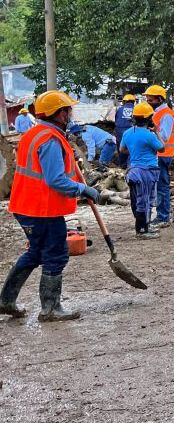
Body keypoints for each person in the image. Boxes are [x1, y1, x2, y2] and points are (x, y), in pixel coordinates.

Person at [0, 90, 100, 322]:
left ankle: (6, 301)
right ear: (61, 114)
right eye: (68, 110)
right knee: (55, 254)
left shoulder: (33, 134)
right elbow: (55, 180)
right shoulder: (51, 140)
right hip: (41, 209)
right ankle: (50, 308)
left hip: (25, 206)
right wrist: (83, 190)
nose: (71, 113)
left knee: (36, 252)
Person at [120, 103, 164, 239]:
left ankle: (145, 225)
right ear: (149, 119)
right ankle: (142, 231)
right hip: (147, 172)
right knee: (146, 201)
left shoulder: (127, 133)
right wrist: (157, 131)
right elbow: (162, 148)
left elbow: (122, 150)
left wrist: (134, 151)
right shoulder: (149, 135)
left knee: (140, 200)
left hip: (133, 171)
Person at [144, 85, 174, 227]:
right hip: (158, 154)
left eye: (150, 100)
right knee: (158, 186)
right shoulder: (158, 112)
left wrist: (153, 129)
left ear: (159, 99)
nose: (148, 102)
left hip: (163, 155)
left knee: (162, 186)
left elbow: (164, 136)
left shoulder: (166, 114)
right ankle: (162, 215)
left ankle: (163, 217)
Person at [113, 95, 136, 166]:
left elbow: (116, 121)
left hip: (120, 133)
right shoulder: (136, 109)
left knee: (121, 150)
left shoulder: (119, 109)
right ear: (134, 102)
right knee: (132, 150)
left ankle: (122, 166)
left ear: (124, 101)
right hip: (132, 132)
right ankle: (130, 166)